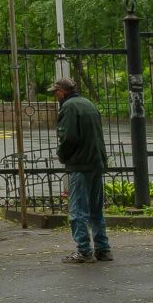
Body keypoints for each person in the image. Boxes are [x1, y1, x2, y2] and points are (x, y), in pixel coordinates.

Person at [52, 76, 112, 263]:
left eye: (56, 93)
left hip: (80, 164)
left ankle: (84, 251)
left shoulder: (69, 108)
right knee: (96, 209)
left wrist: (62, 155)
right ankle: (103, 249)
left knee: (78, 210)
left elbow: (68, 138)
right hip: (96, 162)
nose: (55, 96)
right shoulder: (88, 104)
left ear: (62, 92)